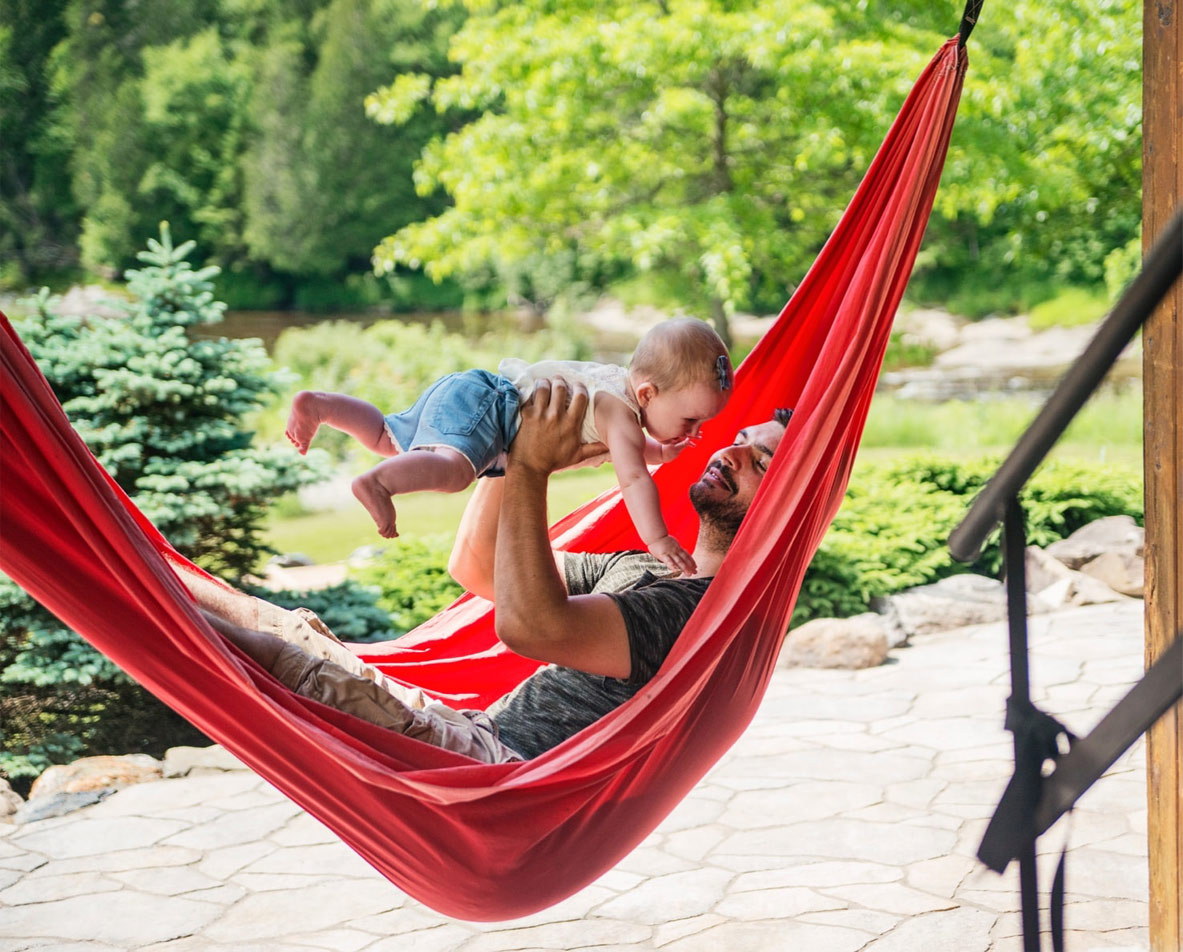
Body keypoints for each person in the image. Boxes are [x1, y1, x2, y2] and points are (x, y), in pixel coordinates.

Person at [199, 378, 791, 764]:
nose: (728, 452)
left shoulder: (700, 613)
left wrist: (534, 466)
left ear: (788, 503)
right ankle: (144, 583)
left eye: (758, 460)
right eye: (739, 438)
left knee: (263, 656)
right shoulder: (642, 568)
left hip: (485, 771)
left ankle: (124, 599)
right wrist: (506, 450)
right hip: (453, 728)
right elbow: (479, 568)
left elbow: (530, 626)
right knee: (276, 627)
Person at [283, 318, 733, 575]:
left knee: (386, 435)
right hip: (488, 410)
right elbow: (632, 475)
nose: (691, 428)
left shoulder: (618, 393)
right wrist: (657, 539)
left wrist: (664, 449)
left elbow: (631, 451)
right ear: (649, 394)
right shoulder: (621, 414)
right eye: (689, 419)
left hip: (473, 391)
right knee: (454, 472)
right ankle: (377, 485)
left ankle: (322, 406)